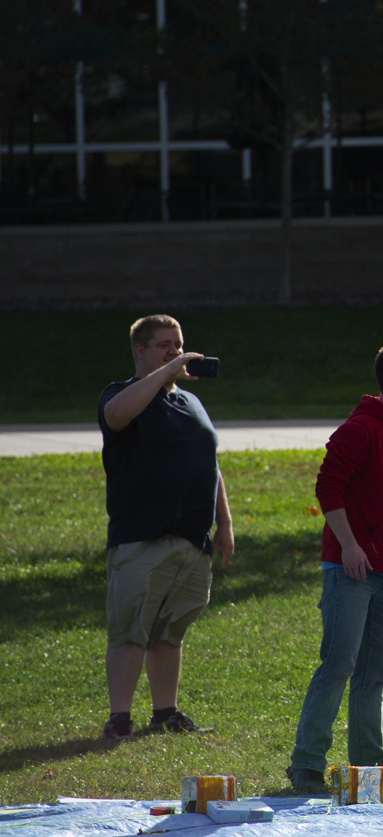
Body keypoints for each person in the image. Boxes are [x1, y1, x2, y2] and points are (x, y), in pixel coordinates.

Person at [285, 342, 383, 793]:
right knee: (338, 666)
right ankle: (307, 765)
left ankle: (371, 762)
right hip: (351, 569)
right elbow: (328, 486)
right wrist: (348, 546)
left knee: (374, 673)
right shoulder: (360, 429)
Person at [97, 314, 234, 742]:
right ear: (140, 351)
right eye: (163, 346)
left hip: (192, 539)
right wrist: (160, 376)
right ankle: (120, 719)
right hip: (142, 537)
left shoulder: (191, 402)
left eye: (178, 344)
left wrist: (225, 523)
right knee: (130, 630)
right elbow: (116, 416)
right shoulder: (122, 394)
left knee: (169, 631)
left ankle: (165, 713)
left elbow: (210, 464)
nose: (175, 352)